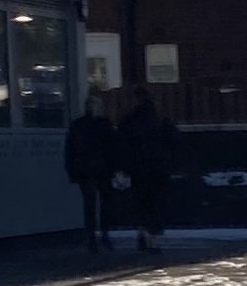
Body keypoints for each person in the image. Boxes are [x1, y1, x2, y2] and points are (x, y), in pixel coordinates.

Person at [116, 84, 178, 252]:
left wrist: (124, 167)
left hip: (139, 169)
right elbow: (174, 142)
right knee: (156, 203)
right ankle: (153, 238)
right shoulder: (160, 119)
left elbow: (122, 145)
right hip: (159, 168)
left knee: (141, 202)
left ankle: (142, 232)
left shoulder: (129, 120)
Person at [63, 90, 119, 252]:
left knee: (90, 204)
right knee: (103, 203)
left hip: (86, 171)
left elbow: (70, 150)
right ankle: (103, 234)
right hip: (100, 170)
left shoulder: (78, 125)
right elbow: (112, 149)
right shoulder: (104, 125)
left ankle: (93, 237)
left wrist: (72, 171)